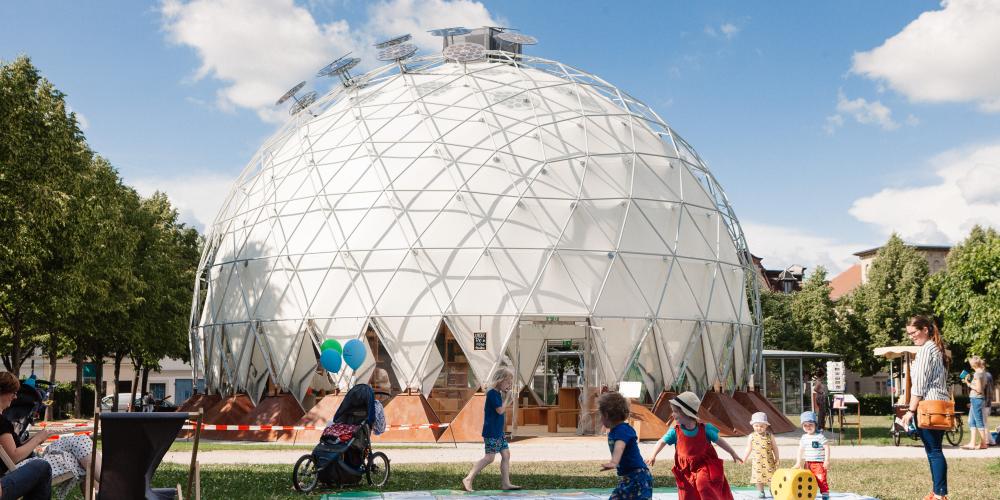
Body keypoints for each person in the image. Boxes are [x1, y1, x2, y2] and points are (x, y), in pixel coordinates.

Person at [0, 372, 100, 493]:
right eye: (13, 393)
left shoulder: (3, 420)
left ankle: (103, 487)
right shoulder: (1, 422)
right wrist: (37, 439)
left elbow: (13, 450)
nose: (15, 397)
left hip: (19, 466)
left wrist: (37, 437)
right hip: (17, 471)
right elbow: (14, 456)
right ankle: (109, 484)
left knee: (80, 442)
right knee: (82, 455)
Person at [646, 391, 741, 499]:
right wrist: (653, 455)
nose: (672, 414)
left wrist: (732, 452)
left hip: (704, 465)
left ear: (686, 413)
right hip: (685, 470)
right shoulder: (675, 432)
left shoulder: (705, 429)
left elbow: (719, 441)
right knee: (688, 495)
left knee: (703, 485)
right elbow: (661, 442)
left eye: (676, 411)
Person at [900, 315, 950, 500]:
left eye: (914, 332)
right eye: (909, 333)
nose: (911, 336)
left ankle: (939, 495)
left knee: (934, 451)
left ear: (925, 330)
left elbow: (919, 384)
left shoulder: (925, 350)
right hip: (939, 404)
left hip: (928, 406)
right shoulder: (936, 348)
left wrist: (910, 411)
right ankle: (938, 492)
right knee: (934, 450)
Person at [462, 368, 520, 492]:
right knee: (489, 458)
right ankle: (468, 478)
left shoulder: (497, 393)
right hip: (492, 431)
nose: (509, 385)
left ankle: (506, 483)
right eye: (508, 382)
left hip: (498, 432)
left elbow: (501, 409)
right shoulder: (492, 393)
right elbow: (500, 410)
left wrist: (508, 398)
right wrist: (508, 398)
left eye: (510, 383)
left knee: (506, 454)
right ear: (500, 380)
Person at [598, 391, 652, 499]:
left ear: (606, 415)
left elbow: (620, 446)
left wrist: (614, 462)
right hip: (628, 477)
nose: (600, 418)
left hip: (638, 477)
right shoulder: (615, 430)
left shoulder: (622, 430)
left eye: (601, 415)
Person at [792, 411, 830, 500]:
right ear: (802, 426)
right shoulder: (803, 437)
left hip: (819, 464)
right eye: (805, 425)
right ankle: (807, 495)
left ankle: (825, 495)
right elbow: (800, 450)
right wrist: (798, 462)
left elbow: (827, 447)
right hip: (807, 463)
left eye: (810, 424)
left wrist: (827, 460)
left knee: (821, 479)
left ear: (815, 424)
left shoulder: (820, 436)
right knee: (807, 480)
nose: (808, 427)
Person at [742, 412, 778, 498]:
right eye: (756, 426)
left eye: (762, 426)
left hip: (769, 461)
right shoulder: (752, 436)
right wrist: (744, 458)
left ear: (766, 426)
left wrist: (777, 457)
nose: (759, 428)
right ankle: (761, 491)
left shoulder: (770, 436)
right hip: (757, 462)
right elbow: (748, 448)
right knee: (758, 478)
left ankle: (772, 489)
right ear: (753, 425)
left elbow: (775, 448)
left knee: (771, 477)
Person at [963, 356, 988, 449]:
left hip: (976, 398)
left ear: (972, 365)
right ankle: (972, 443)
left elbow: (979, 389)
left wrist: (968, 383)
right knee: (971, 421)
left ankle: (983, 443)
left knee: (978, 421)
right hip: (976, 399)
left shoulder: (977, 374)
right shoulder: (982, 372)